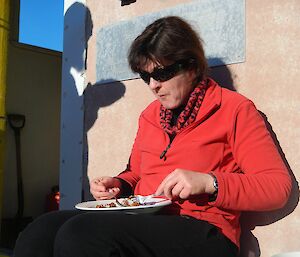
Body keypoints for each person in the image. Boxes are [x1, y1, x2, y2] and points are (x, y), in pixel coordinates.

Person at [14, 16, 291, 257]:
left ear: (192, 66)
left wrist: (209, 182)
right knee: (41, 230)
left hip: (205, 229)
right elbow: (137, 172)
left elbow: (278, 188)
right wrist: (119, 185)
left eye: (163, 72)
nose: (153, 85)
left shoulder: (234, 109)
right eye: (146, 76)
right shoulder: (150, 116)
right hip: (144, 220)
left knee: (82, 234)